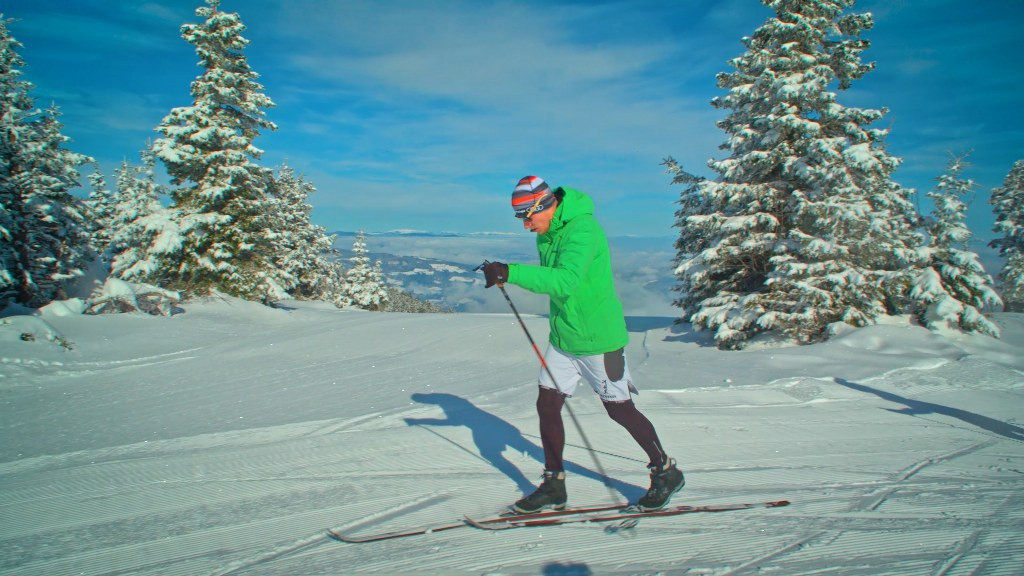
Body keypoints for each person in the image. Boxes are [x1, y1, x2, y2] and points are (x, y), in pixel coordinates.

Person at [481, 175, 685, 513]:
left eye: (527, 216)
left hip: (598, 339)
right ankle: (553, 484)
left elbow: (567, 281)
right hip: (564, 337)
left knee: (619, 409)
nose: (526, 225)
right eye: (520, 218)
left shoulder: (583, 229)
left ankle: (666, 471)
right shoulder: (547, 234)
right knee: (547, 405)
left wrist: (511, 272)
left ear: (545, 205)